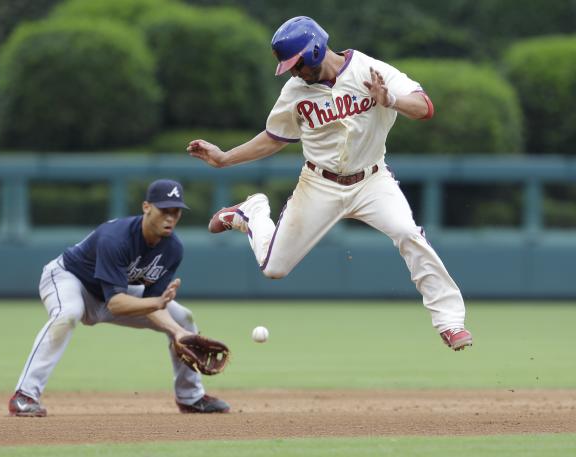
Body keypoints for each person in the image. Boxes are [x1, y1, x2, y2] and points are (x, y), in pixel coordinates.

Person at [188, 16, 472, 351]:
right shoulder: (295, 92)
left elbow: (424, 107)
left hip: (372, 181)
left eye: (296, 64)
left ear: (316, 49)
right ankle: (251, 212)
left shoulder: (370, 71)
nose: (294, 72)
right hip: (319, 184)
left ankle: (450, 321)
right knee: (274, 268)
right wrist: (224, 159)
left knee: (407, 233)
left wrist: (390, 100)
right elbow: (274, 138)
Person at [8, 179, 230, 416]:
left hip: (114, 292)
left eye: (175, 212)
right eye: (164, 210)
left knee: (183, 319)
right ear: (146, 207)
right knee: (67, 314)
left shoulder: (172, 248)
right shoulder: (116, 237)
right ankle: (25, 395)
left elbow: (153, 304)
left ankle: (191, 397)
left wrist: (177, 331)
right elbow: (117, 303)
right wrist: (156, 303)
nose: (170, 218)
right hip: (70, 280)